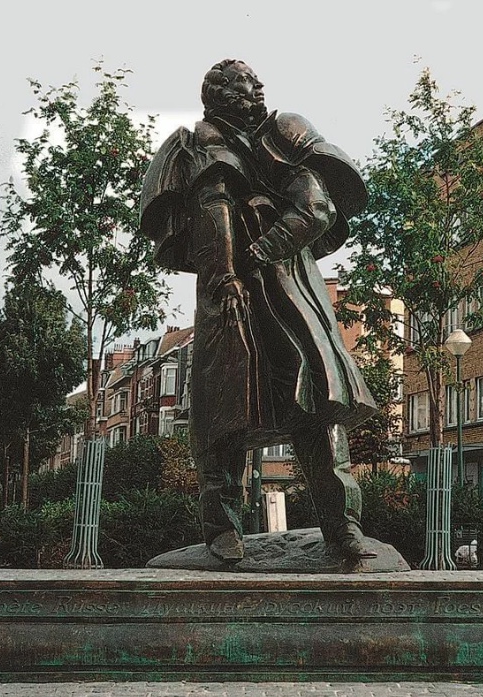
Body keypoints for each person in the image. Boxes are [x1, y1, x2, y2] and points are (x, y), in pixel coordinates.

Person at [140, 59, 378, 564]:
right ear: (218, 94)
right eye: (243, 85)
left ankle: (343, 527)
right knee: (224, 407)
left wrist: (263, 250)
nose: (256, 91)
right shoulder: (195, 144)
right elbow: (209, 213)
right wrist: (227, 275)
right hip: (226, 292)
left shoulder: (287, 131)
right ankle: (221, 528)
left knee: (317, 401)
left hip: (290, 287)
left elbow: (316, 208)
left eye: (254, 84)